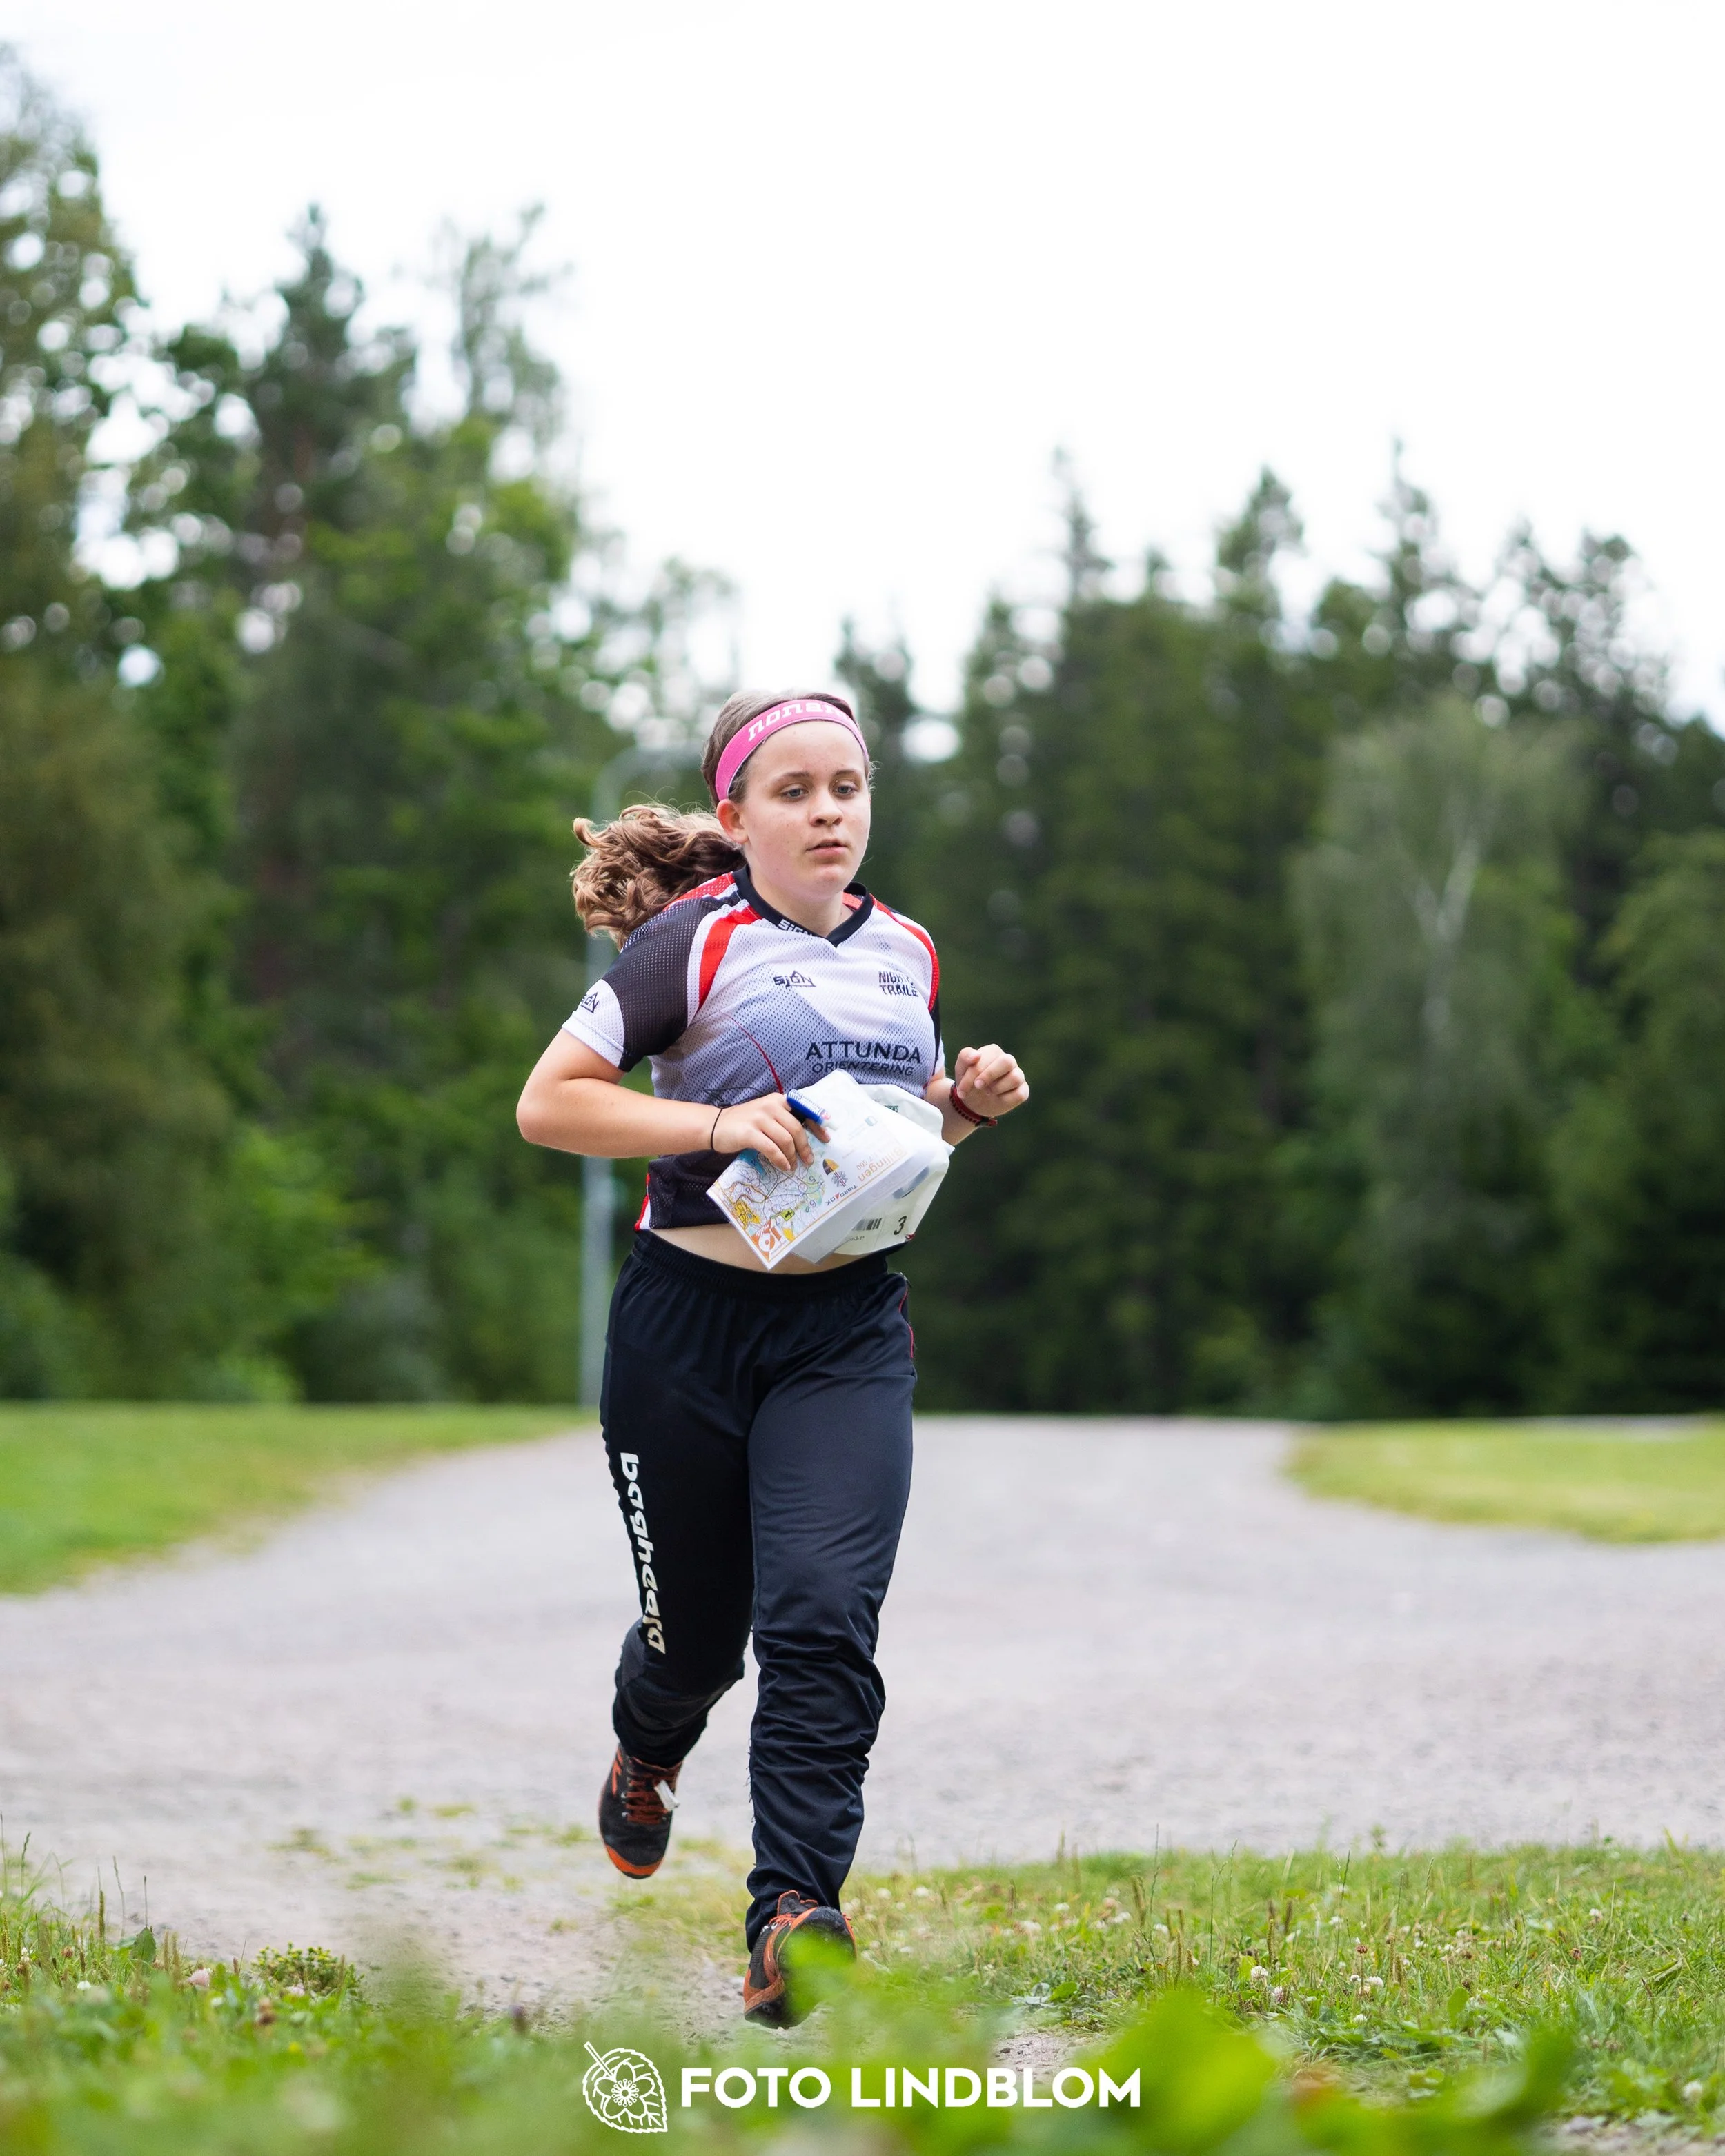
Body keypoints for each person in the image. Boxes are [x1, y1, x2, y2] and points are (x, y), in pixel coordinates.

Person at [516, 689, 1029, 2024]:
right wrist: (716, 1125)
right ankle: (648, 1743)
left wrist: (959, 1113)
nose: (828, 814)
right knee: (699, 1640)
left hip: (845, 1333)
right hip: (685, 1326)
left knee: (820, 1619)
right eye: (794, 792)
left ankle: (794, 1913)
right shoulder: (693, 943)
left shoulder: (905, 953)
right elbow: (550, 1105)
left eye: (847, 789)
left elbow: (874, 1139)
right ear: (737, 819)